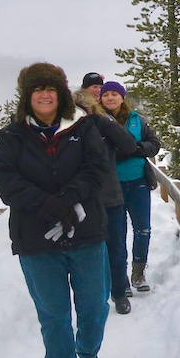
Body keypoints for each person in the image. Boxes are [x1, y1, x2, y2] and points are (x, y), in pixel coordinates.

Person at [0, 62, 110, 358]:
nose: (44, 94)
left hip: (85, 231)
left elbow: (97, 167)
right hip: (37, 239)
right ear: (27, 96)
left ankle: (87, 349)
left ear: (60, 93)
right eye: (37, 89)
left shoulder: (83, 128)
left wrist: (69, 196)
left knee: (93, 305)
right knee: (54, 314)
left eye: (50, 88)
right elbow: (3, 177)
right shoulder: (12, 136)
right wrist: (45, 203)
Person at [73, 87, 138, 315]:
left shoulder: (103, 123)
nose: (83, 114)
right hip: (80, 200)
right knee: (86, 252)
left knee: (116, 248)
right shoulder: (67, 130)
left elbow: (129, 145)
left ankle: (119, 292)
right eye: (79, 110)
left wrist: (104, 120)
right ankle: (93, 296)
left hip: (109, 196)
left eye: (87, 109)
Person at [99, 81, 161, 293]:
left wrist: (135, 149)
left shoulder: (137, 120)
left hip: (138, 183)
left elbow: (154, 145)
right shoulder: (97, 121)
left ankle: (138, 272)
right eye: (106, 94)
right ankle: (120, 280)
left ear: (122, 97)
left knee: (142, 229)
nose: (110, 98)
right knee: (116, 233)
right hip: (111, 186)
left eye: (114, 94)